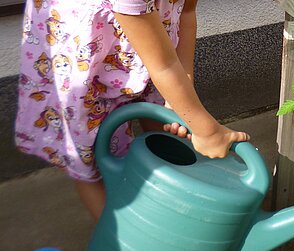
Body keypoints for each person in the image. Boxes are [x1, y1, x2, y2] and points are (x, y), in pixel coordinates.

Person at [15, 0, 250, 221]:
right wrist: (208, 131)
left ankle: (170, 207)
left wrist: (183, 96)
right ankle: (124, 244)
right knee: (95, 158)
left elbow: (187, 14)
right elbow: (164, 66)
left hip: (152, 45)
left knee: (170, 127)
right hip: (84, 64)